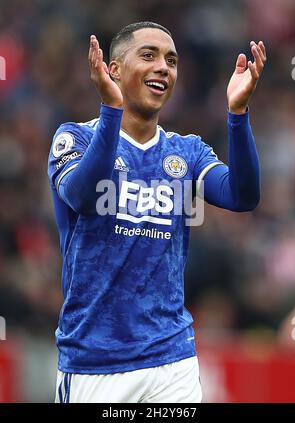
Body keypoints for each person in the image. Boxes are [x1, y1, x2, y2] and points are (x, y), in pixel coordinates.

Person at [48, 21, 266, 403]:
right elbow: (83, 195)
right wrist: (111, 110)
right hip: (96, 361)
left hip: (172, 360)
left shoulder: (188, 152)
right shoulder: (74, 138)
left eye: (171, 60)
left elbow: (242, 195)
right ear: (113, 69)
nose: (164, 67)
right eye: (148, 55)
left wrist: (238, 112)